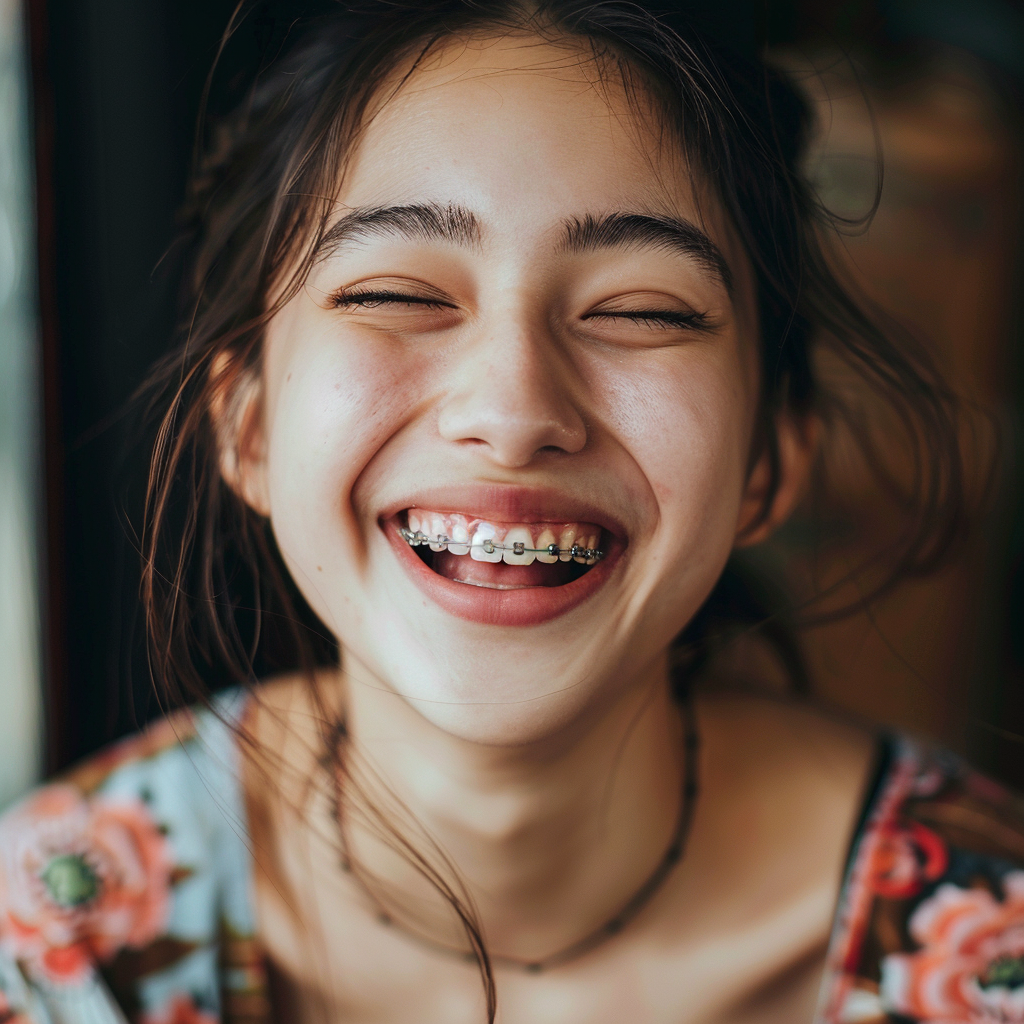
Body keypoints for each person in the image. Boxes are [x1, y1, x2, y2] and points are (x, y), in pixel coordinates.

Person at [1, 2, 1022, 1022]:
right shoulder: (58, 945)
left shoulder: (986, 942)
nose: (513, 410)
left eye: (640, 311)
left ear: (766, 460)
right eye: (395, 294)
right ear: (251, 426)